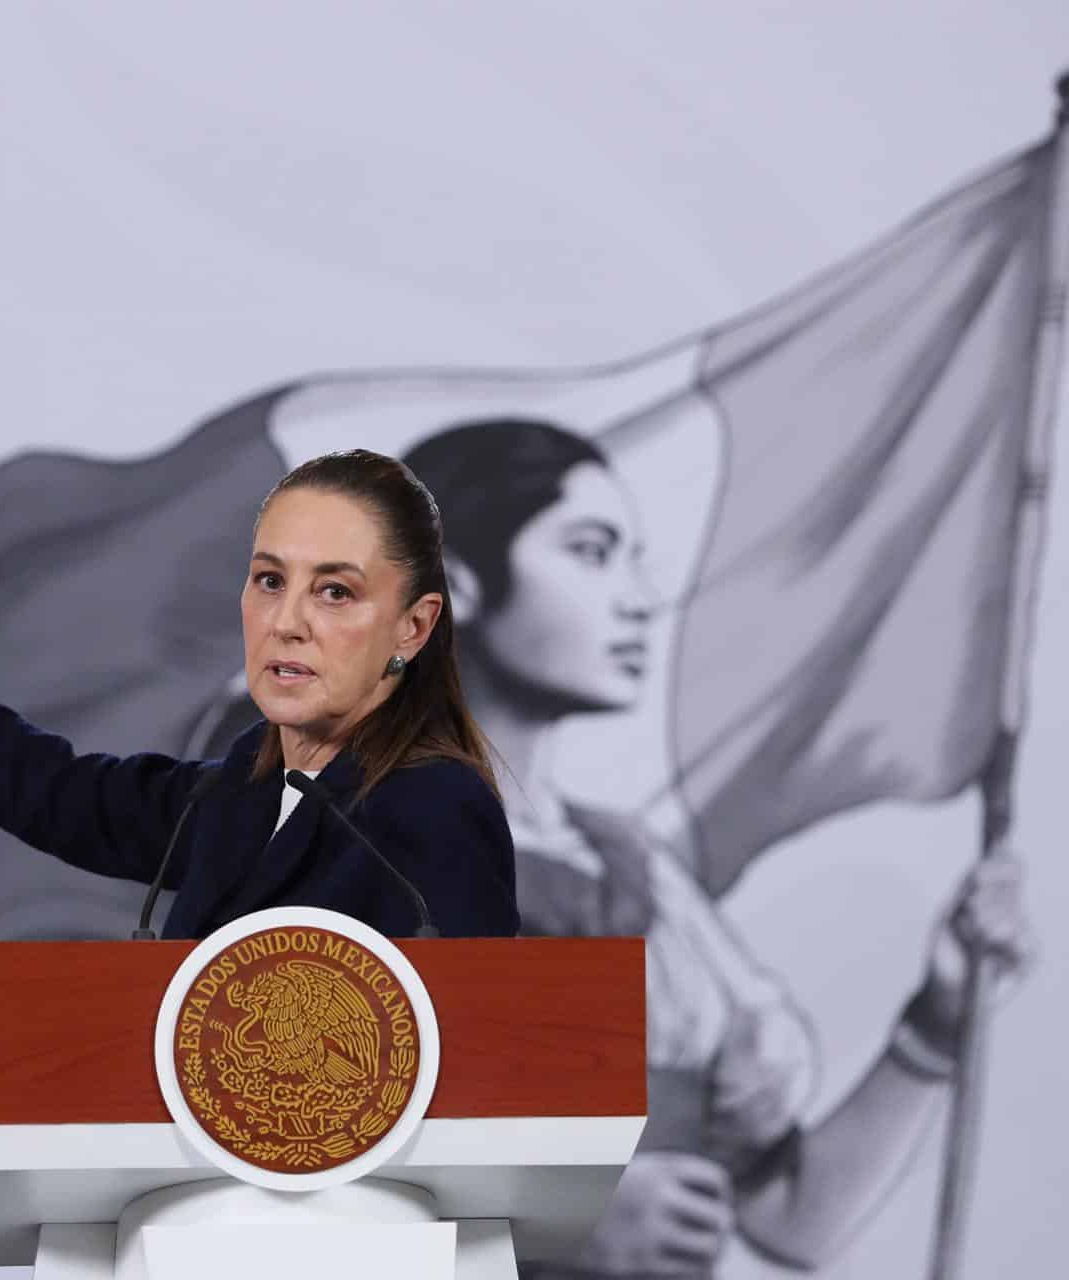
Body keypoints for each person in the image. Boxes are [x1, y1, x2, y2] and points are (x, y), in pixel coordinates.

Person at [399, 418, 1033, 1278]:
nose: (637, 598)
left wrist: (937, 1018)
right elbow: (248, 1200)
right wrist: (553, 1220)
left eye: (633, 559)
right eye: (591, 552)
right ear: (456, 587)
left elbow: (789, 1219)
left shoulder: (633, 871)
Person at [0, 449, 518, 942]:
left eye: (335, 592)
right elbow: (49, 786)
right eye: (270, 581)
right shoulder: (235, 795)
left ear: (413, 626)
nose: (287, 622)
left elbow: (476, 1062)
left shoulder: (432, 805)